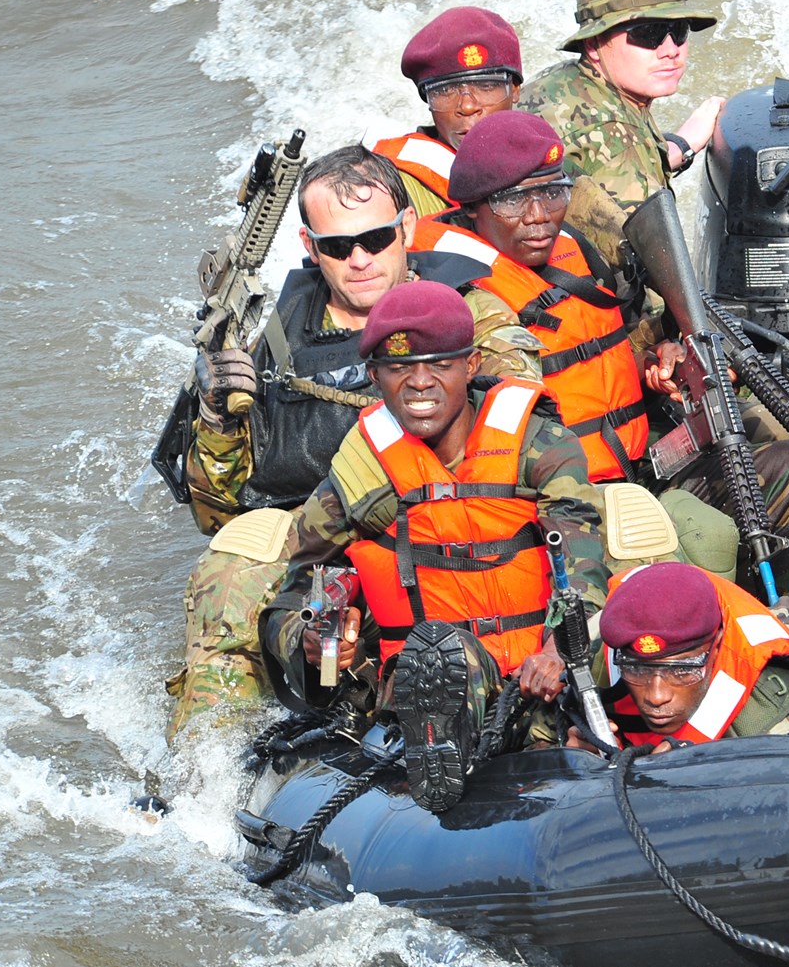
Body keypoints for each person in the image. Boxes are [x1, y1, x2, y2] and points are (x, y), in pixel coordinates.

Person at [168, 147, 539, 740]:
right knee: (230, 577)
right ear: (311, 247)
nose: (361, 259)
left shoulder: (467, 317)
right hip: (317, 538)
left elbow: (515, 426)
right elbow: (217, 509)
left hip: (437, 523)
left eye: (376, 239)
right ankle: (208, 767)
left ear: (407, 229)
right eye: (338, 246)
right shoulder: (275, 338)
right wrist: (215, 415)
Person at [261, 280, 611, 811]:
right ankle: (436, 778)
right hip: (427, 694)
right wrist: (313, 645)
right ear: (375, 377)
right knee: (440, 659)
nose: (420, 383)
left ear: (470, 366)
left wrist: (562, 651)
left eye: (439, 365)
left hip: (542, 677)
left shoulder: (538, 445)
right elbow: (294, 595)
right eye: (400, 368)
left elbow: (583, 563)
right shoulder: (361, 477)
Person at [425, 109, 742, 577]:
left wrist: (655, 363)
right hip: (552, 502)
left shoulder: (577, 248)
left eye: (552, 193)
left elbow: (590, 357)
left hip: (639, 462)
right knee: (707, 543)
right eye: (513, 201)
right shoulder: (457, 297)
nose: (538, 217)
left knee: (784, 466)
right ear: (473, 207)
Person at [518, 0, 727, 217]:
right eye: (649, 34)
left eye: (679, 30)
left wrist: (679, 146)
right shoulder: (615, 141)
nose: (671, 49)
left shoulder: (560, 82)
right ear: (594, 45)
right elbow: (643, 252)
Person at [582, 561, 789, 751]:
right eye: (639, 670)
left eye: (682, 670)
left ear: (716, 648)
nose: (656, 696)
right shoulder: (608, 645)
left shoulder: (772, 726)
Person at [373, 7, 525, 217]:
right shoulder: (391, 189)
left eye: (486, 86)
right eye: (445, 91)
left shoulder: (545, 165)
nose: (467, 106)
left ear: (515, 89)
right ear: (427, 100)